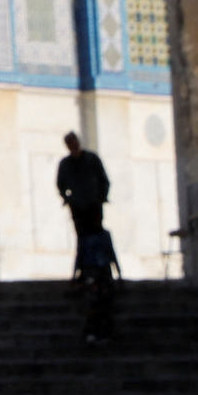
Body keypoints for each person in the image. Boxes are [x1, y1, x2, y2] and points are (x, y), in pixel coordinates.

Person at [58, 131, 118, 344]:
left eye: (73, 142)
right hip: (78, 206)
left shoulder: (91, 159)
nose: (72, 146)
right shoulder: (65, 164)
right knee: (82, 240)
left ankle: (103, 269)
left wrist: (100, 198)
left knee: (97, 236)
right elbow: (60, 183)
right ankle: (84, 270)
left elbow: (103, 180)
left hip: (93, 204)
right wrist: (68, 198)